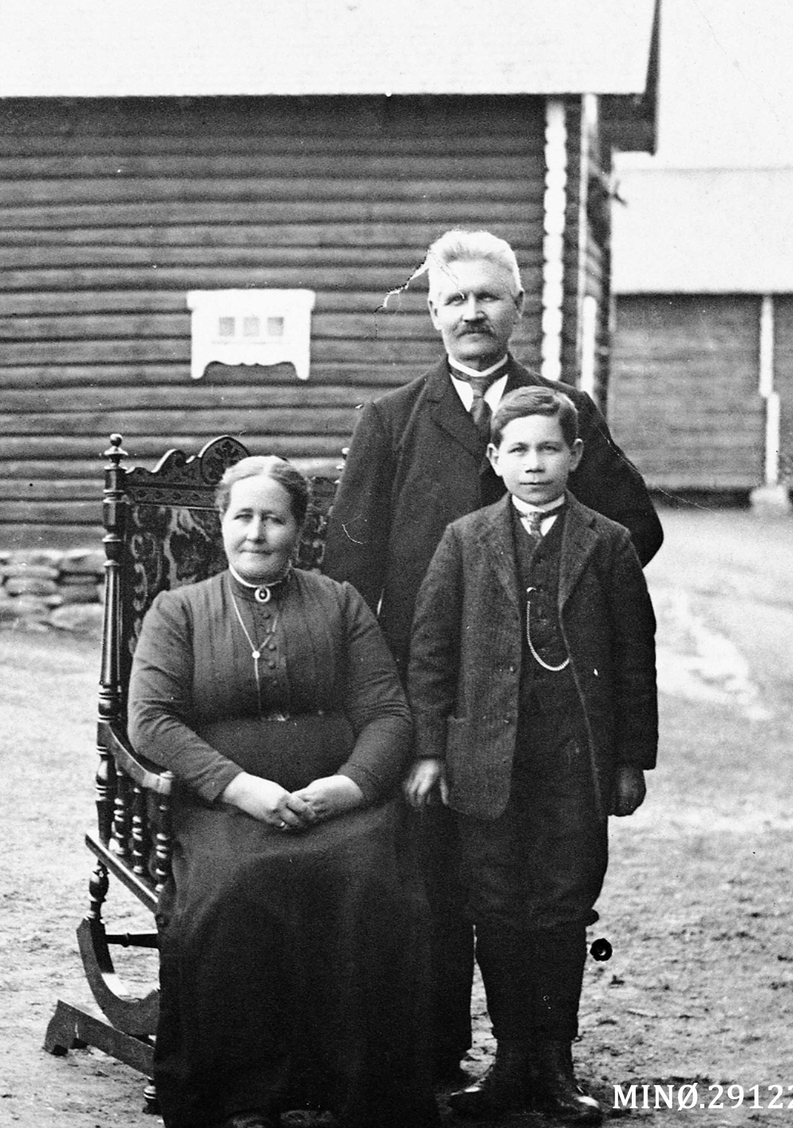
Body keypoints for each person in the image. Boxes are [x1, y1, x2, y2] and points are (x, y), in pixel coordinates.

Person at [323, 228, 663, 1077]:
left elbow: (636, 532)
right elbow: (347, 573)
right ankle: (438, 1058)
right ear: (432, 313)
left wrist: (553, 597)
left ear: (518, 307)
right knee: (440, 882)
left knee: (545, 889)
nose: (472, 312)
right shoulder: (393, 421)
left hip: (551, 708)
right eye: (454, 299)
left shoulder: (562, 412)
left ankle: (534, 1061)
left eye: (488, 297)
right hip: (434, 701)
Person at [128, 455, 439, 1128]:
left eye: (274, 518)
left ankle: (361, 1092)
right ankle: (240, 1095)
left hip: (337, 804)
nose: (257, 533)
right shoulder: (178, 610)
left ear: (300, 528)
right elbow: (150, 719)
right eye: (243, 517)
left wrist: (350, 787)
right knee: (236, 888)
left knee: (369, 882)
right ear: (221, 525)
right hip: (225, 808)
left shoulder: (340, 602)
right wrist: (240, 788)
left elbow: (388, 712)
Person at [405, 386, 659, 1124]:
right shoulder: (464, 540)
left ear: (576, 455)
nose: (535, 463)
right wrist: (430, 751)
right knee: (494, 906)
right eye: (518, 449)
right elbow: (430, 653)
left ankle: (554, 1062)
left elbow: (635, 659)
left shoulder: (607, 544)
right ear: (494, 458)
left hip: (574, 762)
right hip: (486, 760)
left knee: (560, 907)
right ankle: (511, 1062)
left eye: (550, 448)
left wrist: (629, 760)